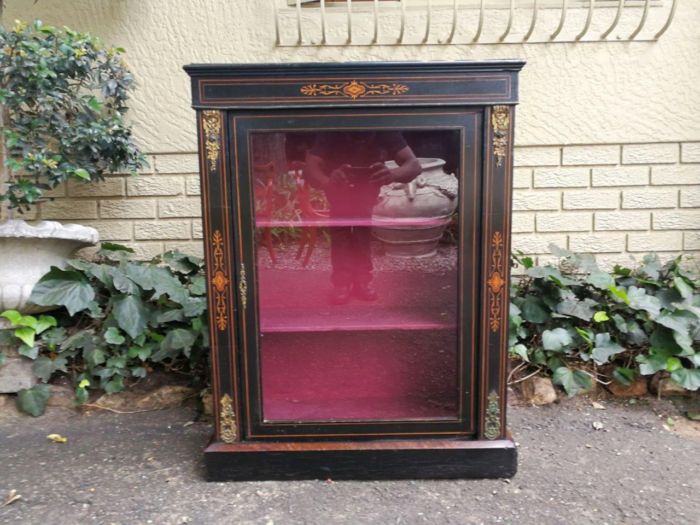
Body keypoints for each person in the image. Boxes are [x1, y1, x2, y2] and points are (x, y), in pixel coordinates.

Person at [304, 131, 421, 305]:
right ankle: (344, 284)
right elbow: (310, 168)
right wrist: (329, 182)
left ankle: (360, 282)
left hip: (366, 193)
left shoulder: (381, 127)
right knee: (341, 234)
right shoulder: (333, 130)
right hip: (339, 192)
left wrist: (392, 174)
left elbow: (414, 165)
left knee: (361, 233)